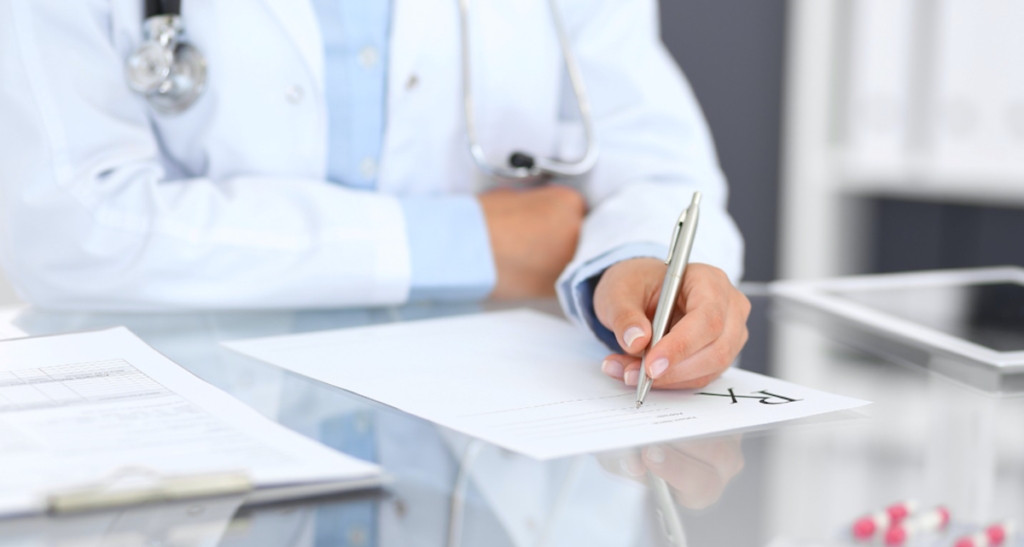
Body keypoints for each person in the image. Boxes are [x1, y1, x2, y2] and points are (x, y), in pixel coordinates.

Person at [0, 0, 749, 390]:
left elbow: (657, 163)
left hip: (488, 443)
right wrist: (468, 245)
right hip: (194, 418)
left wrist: (647, 261)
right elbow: (73, 225)